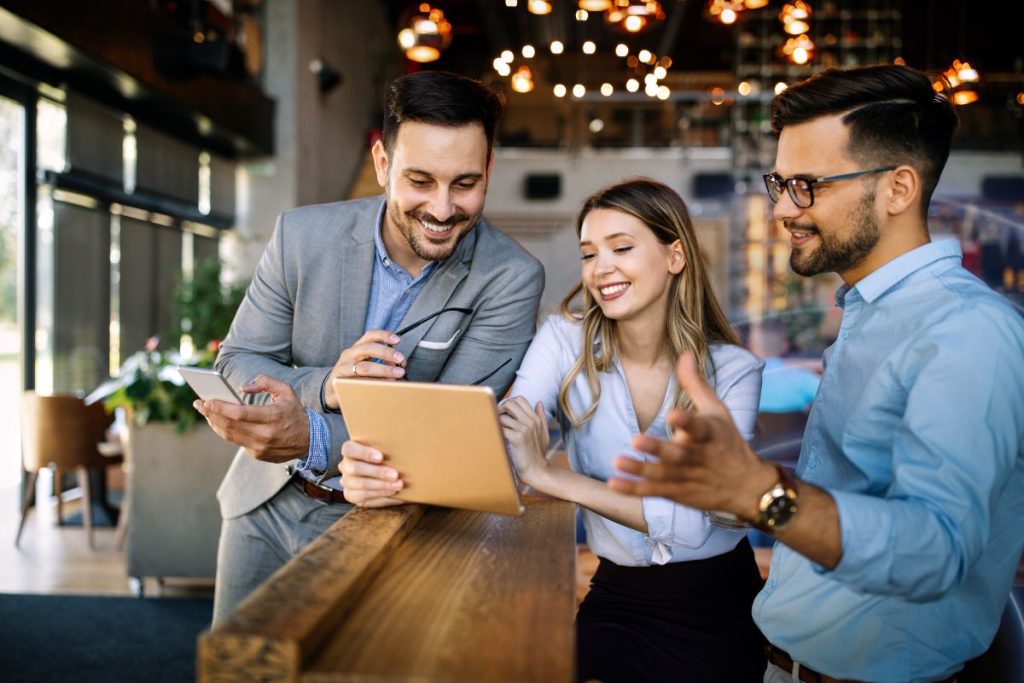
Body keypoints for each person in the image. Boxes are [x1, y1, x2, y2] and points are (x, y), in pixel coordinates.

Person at [611, 64, 1024, 683]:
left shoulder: (964, 331)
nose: (782, 209)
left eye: (807, 185)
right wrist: (732, 489)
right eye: (779, 182)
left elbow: (936, 550)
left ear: (898, 189)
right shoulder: (869, 311)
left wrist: (762, 493)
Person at [195, 71, 544, 626]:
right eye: (420, 180)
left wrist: (310, 435)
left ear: (489, 172)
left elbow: (446, 432)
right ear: (382, 164)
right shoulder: (301, 236)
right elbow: (239, 359)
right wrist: (326, 388)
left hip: (392, 525)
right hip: (261, 508)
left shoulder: (511, 278)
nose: (442, 208)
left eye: (465, 183)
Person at [500, 178, 766, 682]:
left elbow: (689, 527)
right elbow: (512, 425)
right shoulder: (563, 339)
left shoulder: (734, 372)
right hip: (617, 595)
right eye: (588, 254)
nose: (601, 269)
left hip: (718, 605)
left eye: (621, 248)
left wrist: (552, 477)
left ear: (675, 256)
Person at [746, 318, 819, 413]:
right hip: (796, 427)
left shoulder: (740, 380)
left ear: (751, 345)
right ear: (785, 345)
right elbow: (833, 400)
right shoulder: (805, 378)